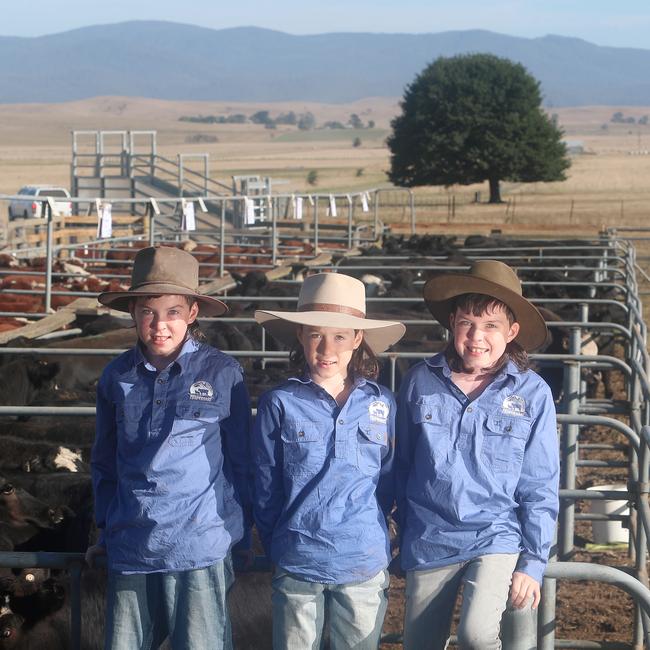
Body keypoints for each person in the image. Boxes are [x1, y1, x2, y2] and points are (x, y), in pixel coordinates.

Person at [87, 245, 251, 650]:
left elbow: (243, 460)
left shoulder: (223, 372)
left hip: (201, 541)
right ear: (133, 314)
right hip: (132, 540)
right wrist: (105, 528)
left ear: (192, 314)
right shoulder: (116, 376)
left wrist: (241, 532)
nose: (160, 325)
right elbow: (105, 461)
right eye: (148, 311)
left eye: (173, 312)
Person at [396, 260, 559, 650]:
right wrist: (399, 533)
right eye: (467, 322)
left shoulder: (532, 393)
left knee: (477, 634)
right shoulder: (419, 381)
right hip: (429, 535)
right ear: (452, 323)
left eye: (490, 326)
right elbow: (400, 465)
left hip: (495, 533)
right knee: (420, 643)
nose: (476, 337)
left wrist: (533, 562)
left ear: (512, 332)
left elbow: (539, 482)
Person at [252, 272, 405, 650]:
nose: (326, 349)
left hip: (361, 557)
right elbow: (265, 482)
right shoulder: (280, 403)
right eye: (316, 334)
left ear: (358, 339)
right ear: (300, 337)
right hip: (299, 556)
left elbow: (388, 477)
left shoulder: (381, 403)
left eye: (339, 336)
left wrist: (374, 527)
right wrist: (280, 541)